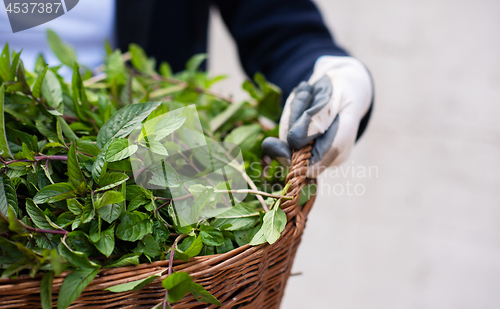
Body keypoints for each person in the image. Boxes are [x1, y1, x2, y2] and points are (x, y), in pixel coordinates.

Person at [0, 0, 373, 178]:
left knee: (204, 284)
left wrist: (336, 75)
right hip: (13, 149)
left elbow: (283, 30)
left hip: (165, 149)